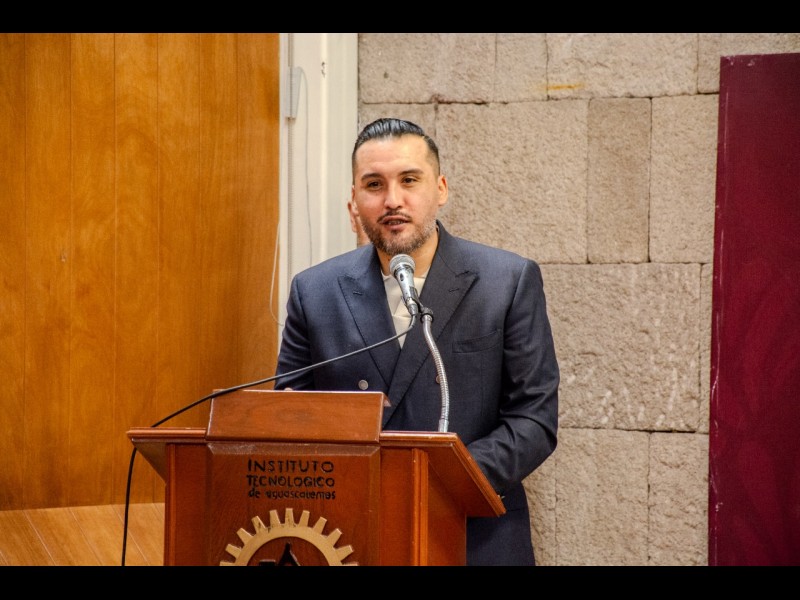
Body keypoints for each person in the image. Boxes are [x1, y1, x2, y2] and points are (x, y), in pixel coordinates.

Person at [274, 117, 559, 566]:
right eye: (374, 184)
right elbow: (288, 419)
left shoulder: (507, 281)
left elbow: (534, 420)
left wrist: (443, 480)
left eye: (409, 180)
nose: (393, 200)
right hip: (349, 537)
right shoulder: (314, 292)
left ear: (440, 189)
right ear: (353, 202)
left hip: (474, 535)